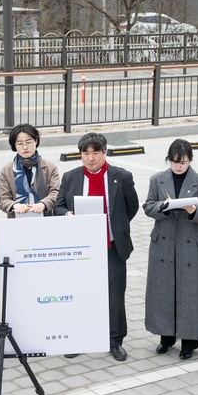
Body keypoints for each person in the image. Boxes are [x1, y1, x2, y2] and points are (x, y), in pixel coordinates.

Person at [54, 132, 139, 361]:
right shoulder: (71, 177)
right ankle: (80, 337)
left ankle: (114, 340)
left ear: (104, 152)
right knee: (80, 294)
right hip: (81, 248)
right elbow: (58, 206)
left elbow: (132, 207)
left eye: (95, 153)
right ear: (80, 155)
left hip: (111, 246)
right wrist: (68, 214)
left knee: (114, 295)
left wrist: (117, 226)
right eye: (85, 153)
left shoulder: (121, 176)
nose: (90, 158)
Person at [142, 139, 198, 360]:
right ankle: (165, 337)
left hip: (192, 244)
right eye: (174, 162)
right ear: (169, 160)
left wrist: (194, 209)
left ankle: (189, 342)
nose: (178, 166)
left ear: (190, 160)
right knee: (163, 291)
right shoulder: (157, 179)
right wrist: (162, 208)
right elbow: (147, 206)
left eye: (183, 162)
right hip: (163, 245)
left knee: (191, 293)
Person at [0, 123, 60, 218]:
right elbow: (3, 199)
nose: (25, 147)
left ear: (36, 141)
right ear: (15, 145)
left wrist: (43, 204)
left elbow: (55, 193)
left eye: (28, 142)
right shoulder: (6, 170)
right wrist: (15, 205)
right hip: (16, 221)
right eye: (20, 143)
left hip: (45, 220)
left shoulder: (50, 167)